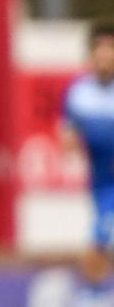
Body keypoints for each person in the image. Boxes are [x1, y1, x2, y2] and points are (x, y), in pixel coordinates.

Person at [62, 21, 114, 304]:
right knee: (101, 238)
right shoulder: (79, 92)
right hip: (100, 182)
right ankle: (96, 294)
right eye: (99, 48)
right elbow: (69, 134)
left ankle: (95, 294)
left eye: (110, 48)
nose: (105, 54)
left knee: (100, 238)